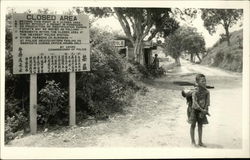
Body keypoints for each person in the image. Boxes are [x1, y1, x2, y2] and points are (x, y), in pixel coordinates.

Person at [188, 74, 210, 147]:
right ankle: (193, 142)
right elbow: (194, 103)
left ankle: (200, 142)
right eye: (202, 81)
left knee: (200, 125)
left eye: (205, 81)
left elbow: (207, 102)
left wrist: (205, 110)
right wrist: (202, 110)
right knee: (193, 125)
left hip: (202, 111)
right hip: (194, 110)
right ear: (197, 82)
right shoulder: (195, 91)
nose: (204, 82)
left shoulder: (207, 92)